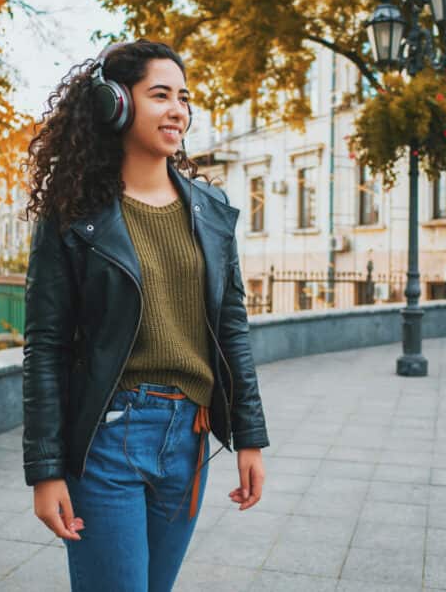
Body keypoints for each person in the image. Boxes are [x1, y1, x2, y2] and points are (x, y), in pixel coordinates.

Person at [20, 38, 270, 591]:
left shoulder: (212, 212)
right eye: (160, 94)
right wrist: (44, 471)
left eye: (183, 97)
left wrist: (249, 438)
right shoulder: (74, 215)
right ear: (117, 104)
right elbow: (46, 345)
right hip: (109, 439)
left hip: (191, 437)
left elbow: (232, 330)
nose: (178, 109)